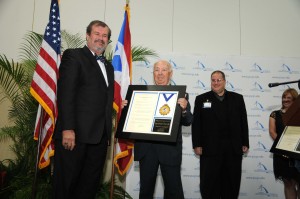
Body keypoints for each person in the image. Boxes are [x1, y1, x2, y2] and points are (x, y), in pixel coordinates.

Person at [52, 20, 114, 199]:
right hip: (74, 136)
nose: (100, 39)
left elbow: (103, 99)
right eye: (97, 34)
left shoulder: (108, 67)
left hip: (99, 139)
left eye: (104, 36)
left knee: (89, 187)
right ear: (87, 36)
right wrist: (68, 128)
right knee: (66, 186)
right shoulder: (74, 56)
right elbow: (66, 94)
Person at [125, 60, 193, 199]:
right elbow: (134, 121)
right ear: (153, 73)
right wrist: (127, 108)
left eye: (164, 70)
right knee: (145, 191)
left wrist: (184, 109)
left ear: (170, 73)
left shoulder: (181, 95)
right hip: (146, 150)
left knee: (174, 191)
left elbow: (188, 121)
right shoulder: (141, 94)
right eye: (157, 70)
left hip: (169, 151)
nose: (160, 73)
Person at [192, 70, 249, 199]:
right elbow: (196, 124)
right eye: (213, 80)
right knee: (209, 185)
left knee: (231, 184)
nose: (216, 83)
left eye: (219, 80)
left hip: (233, 149)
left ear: (224, 81)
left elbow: (243, 122)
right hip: (209, 149)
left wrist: (245, 142)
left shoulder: (237, 98)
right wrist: (197, 144)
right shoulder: (201, 99)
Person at [269, 88, 300, 199]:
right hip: (282, 154)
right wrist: (284, 147)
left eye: (289, 98)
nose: (285, 100)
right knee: (288, 184)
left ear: (295, 100)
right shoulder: (274, 114)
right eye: (284, 97)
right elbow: (272, 132)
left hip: (298, 155)